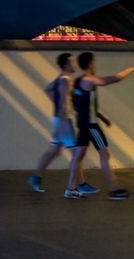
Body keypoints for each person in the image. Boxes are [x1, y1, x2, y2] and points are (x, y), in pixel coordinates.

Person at [65, 52, 134, 201]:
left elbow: (81, 104)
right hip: (90, 126)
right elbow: (114, 78)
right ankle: (114, 190)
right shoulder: (89, 80)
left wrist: (101, 116)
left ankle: (71, 189)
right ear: (90, 63)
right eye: (93, 62)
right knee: (104, 154)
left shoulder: (77, 82)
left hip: (83, 124)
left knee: (78, 156)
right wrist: (132, 69)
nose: (94, 64)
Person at [28, 52, 99, 196]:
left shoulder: (61, 78)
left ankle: (36, 177)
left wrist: (58, 107)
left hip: (58, 119)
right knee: (76, 153)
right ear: (66, 64)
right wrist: (61, 118)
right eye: (72, 62)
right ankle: (81, 185)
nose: (75, 64)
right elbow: (62, 104)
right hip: (64, 120)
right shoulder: (66, 80)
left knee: (55, 150)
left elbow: (47, 89)